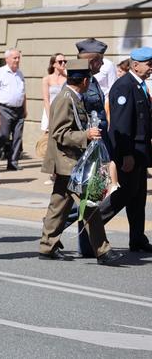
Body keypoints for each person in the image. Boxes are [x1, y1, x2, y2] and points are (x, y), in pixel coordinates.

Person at [38, 59, 122, 265]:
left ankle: (47, 246)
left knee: (58, 206)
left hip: (71, 161)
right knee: (91, 204)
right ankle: (103, 251)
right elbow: (59, 133)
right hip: (68, 162)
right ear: (85, 80)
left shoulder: (72, 97)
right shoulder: (65, 99)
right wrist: (86, 134)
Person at [96, 47, 152, 253]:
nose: (151, 68)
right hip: (130, 153)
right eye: (149, 64)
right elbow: (120, 125)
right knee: (123, 195)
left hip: (140, 152)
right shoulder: (124, 86)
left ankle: (137, 239)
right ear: (135, 65)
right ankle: (91, 225)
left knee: (138, 200)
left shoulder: (139, 85)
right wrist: (126, 154)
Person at [0, 48, 26, 171]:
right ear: (7, 59)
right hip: (4, 109)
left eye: (18, 58)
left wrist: (25, 108)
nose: (17, 60)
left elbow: (23, 93)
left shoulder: (20, 74)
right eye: (15, 58)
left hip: (19, 110)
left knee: (17, 137)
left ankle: (13, 162)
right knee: (3, 136)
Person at [40, 53, 67, 185]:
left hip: (63, 112)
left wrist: (66, 73)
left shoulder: (67, 78)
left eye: (64, 61)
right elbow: (46, 99)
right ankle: (52, 172)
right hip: (50, 112)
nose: (63, 64)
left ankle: (60, 171)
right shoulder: (47, 79)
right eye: (60, 61)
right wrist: (50, 117)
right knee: (51, 142)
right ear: (54, 63)